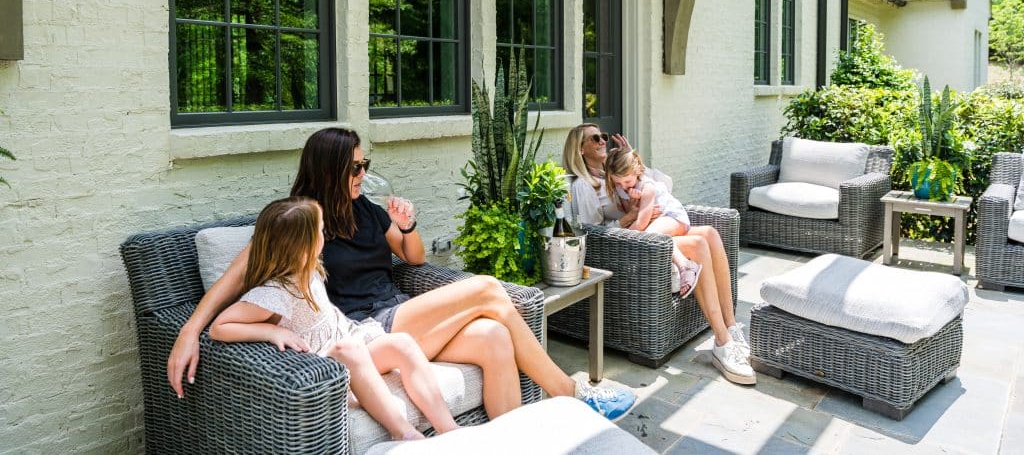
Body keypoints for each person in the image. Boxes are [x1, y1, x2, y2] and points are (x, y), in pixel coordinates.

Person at [168, 127, 636, 421]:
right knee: (490, 290)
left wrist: (408, 224)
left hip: (400, 311)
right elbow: (241, 269)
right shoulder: (306, 218)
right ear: (331, 169)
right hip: (369, 325)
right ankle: (570, 392)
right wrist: (191, 330)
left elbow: (411, 257)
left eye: (365, 164)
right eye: (356, 166)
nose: (364, 172)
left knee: (494, 335)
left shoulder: (365, 208)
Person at [209, 197, 459, 441]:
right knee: (349, 349)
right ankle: (403, 432)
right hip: (323, 367)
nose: (325, 235)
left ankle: (449, 430)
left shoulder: (310, 270)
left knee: (401, 343)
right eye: (320, 231)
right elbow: (220, 327)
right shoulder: (275, 293)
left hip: (350, 342)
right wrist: (272, 332)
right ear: (303, 244)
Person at [561, 123, 756, 386]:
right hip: (631, 244)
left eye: (603, 136)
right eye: (594, 139)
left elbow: (664, 186)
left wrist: (635, 161)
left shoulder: (615, 169)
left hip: (650, 231)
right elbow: (590, 231)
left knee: (710, 232)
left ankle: (731, 326)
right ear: (580, 149)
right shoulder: (584, 185)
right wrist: (631, 216)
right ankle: (722, 342)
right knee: (698, 243)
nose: (602, 141)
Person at [603, 147, 702, 298]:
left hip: (673, 217)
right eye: (617, 183)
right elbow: (632, 214)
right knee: (652, 235)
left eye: (627, 181)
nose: (623, 186)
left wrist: (620, 236)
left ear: (637, 171)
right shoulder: (622, 190)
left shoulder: (647, 187)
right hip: (659, 221)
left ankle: (686, 266)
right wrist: (633, 201)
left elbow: (641, 224)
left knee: (650, 235)